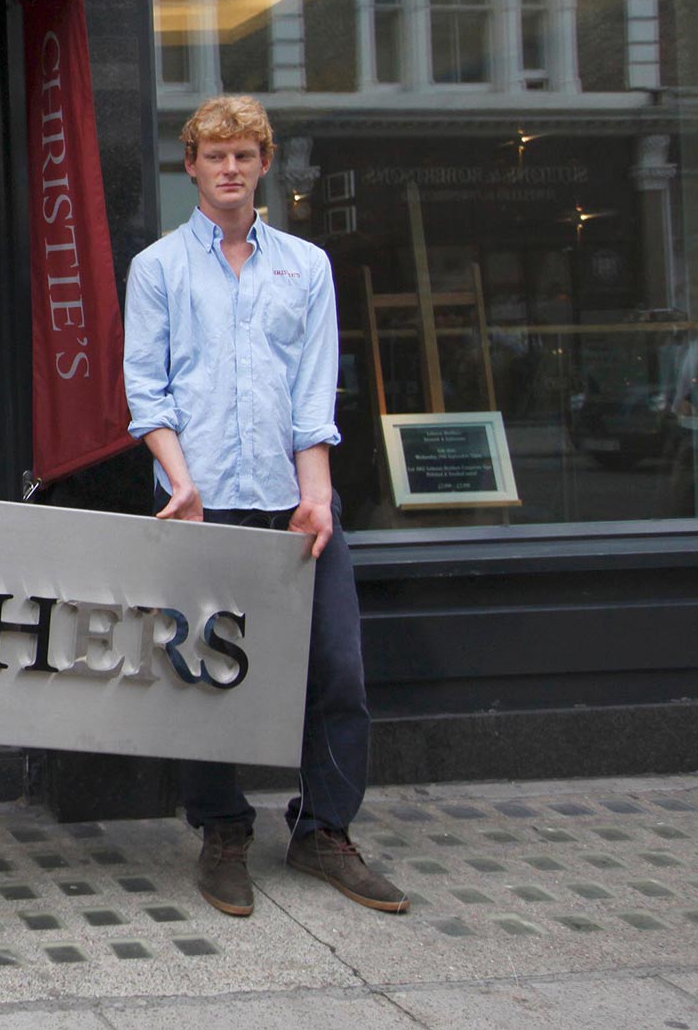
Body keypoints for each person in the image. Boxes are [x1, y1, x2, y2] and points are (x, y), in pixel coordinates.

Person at [122, 96, 407, 921]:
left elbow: (315, 390)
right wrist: (179, 481)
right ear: (191, 165)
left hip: (295, 502)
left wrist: (315, 494)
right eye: (215, 156)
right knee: (204, 674)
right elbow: (147, 389)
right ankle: (222, 831)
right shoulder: (159, 268)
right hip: (200, 502)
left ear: (264, 163)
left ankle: (324, 830)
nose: (230, 169)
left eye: (244, 155)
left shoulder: (306, 266)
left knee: (336, 669)